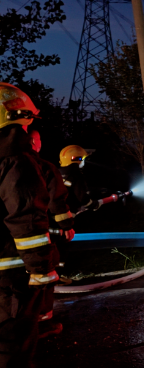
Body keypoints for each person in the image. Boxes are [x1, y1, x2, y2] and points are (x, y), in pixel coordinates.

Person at [0, 83, 60, 368]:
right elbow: (26, 218)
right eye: (27, 122)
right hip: (8, 277)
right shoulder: (15, 161)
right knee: (11, 342)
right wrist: (41, 269)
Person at [28, 129, 75, 338]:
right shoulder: (43, 167)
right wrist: (67, 226)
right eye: (38, 140)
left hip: (9, 238)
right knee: (44, 276)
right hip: (35, 235)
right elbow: (57, 201)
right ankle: (43, 323)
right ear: (33, 142)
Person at [58, 144, 99, 215]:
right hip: (69, 214)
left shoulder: (57, 172)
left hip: (54, 212)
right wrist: (95, 204)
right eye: (83, 159)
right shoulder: (76, 174)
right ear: (77, 159)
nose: (83, 161)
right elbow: (83, 198)